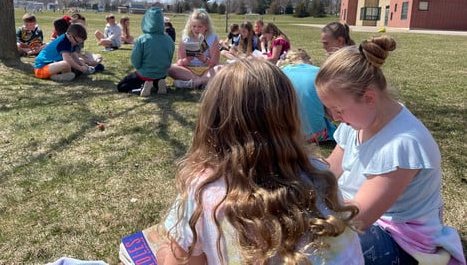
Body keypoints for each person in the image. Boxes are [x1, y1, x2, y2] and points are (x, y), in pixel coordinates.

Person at [157, 58, 364, 264]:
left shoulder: (204, 189)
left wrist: (167, 251)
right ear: (290, 116)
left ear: (212, 120)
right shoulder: (320, 174)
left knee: (168, 250)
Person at [314, 35, 466, 264]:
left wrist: (305, 220)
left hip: (402, 239)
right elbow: (328, 174)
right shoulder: (355, 122)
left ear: (369, 98)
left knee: (323, 251)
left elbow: (359, 217)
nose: (334, 117)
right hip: (361, 219)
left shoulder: (403, 144)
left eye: (338, 109)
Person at [280, 48, 336, 143]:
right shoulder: (319, 73)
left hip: (287, 134)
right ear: (309, 59)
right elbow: (331, 112)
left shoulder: (280, 73)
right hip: (317, 134)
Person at [117, 7, 175, 97]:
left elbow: (135, 61)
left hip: (144, 74)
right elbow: (169, 58)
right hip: (162, 73)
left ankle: (143, 87)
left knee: (121, 86)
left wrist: (140, 68)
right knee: (156, 78)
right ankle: (157, 83)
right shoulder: (169, 39)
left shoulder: (142, 39)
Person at [168, 8, 221, 89]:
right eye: (194, 26)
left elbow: (215, 62)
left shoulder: (212, 38)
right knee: (170, 68)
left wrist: (204, 59)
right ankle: (203, 82)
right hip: (189, 70)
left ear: (206, 27)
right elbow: (179, 62)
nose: (196, 29)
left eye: (200, 26)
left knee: (222, 68)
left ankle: (193, 83)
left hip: (207, 70)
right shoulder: (186, 39)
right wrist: (187, 60)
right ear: (190, 26)